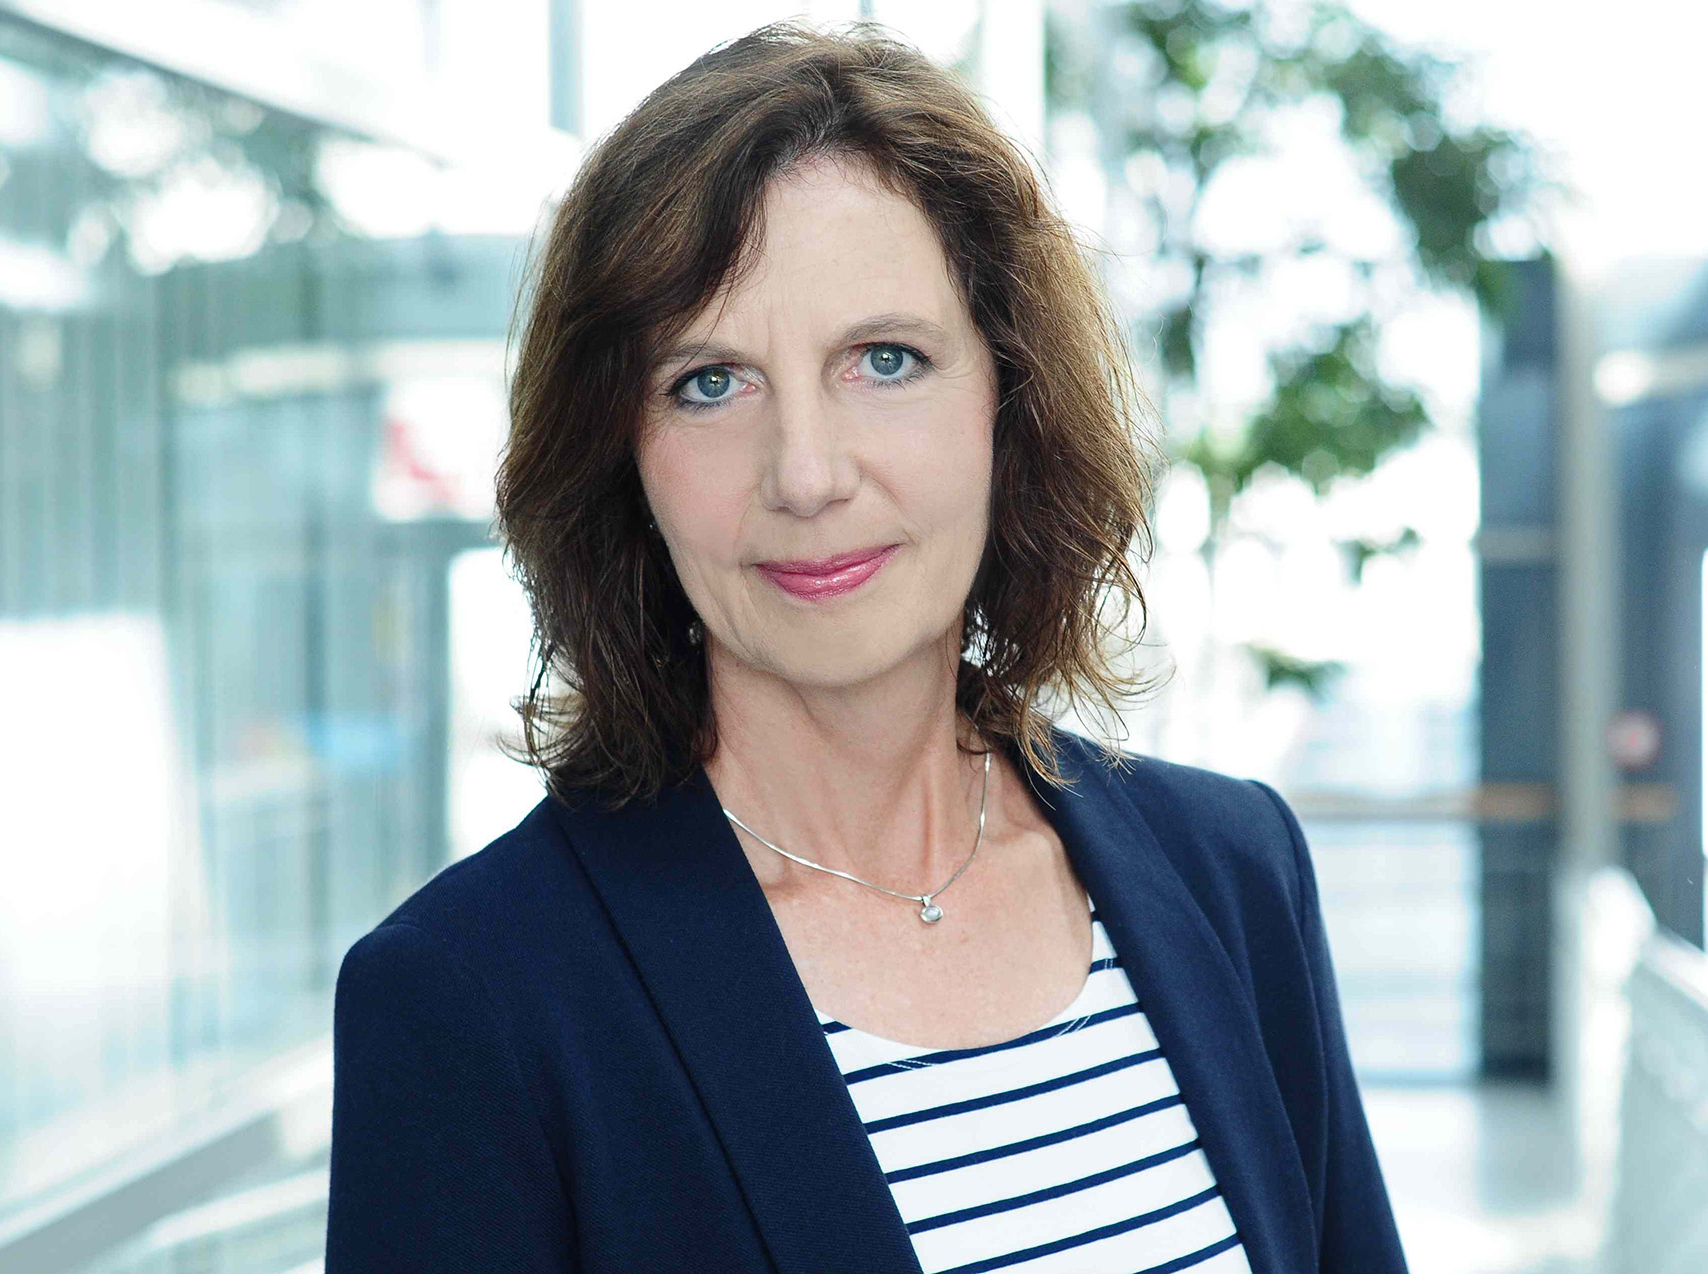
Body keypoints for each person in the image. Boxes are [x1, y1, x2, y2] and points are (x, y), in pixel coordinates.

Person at [324, 20, 1409, 1274]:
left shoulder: (1232, 873)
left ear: (1008, 399)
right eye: (709, 382)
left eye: (884, 360)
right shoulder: (470, 999)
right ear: (622, 458)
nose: (805, 472)